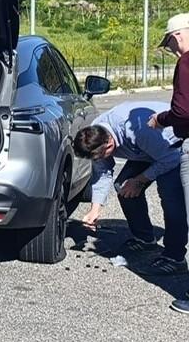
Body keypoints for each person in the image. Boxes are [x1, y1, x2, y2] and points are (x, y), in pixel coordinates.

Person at [74, 102, 185, 275]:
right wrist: (95, 209)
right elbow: (102, 173)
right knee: (123, 187)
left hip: (174, 147)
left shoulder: (138, 129)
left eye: (99, 156)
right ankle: (144, 239)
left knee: (171, 199)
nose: (98, 160)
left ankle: (175, 257)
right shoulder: (95, 135)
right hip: (146, 151)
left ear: (109, 144)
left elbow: (170, 159)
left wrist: (139, 180)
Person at [149, 13, 189, 311]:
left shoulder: (186, 62)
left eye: (170, 43)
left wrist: (162, 119)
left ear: (178, 35)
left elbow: (183, 111)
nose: (172, 50)